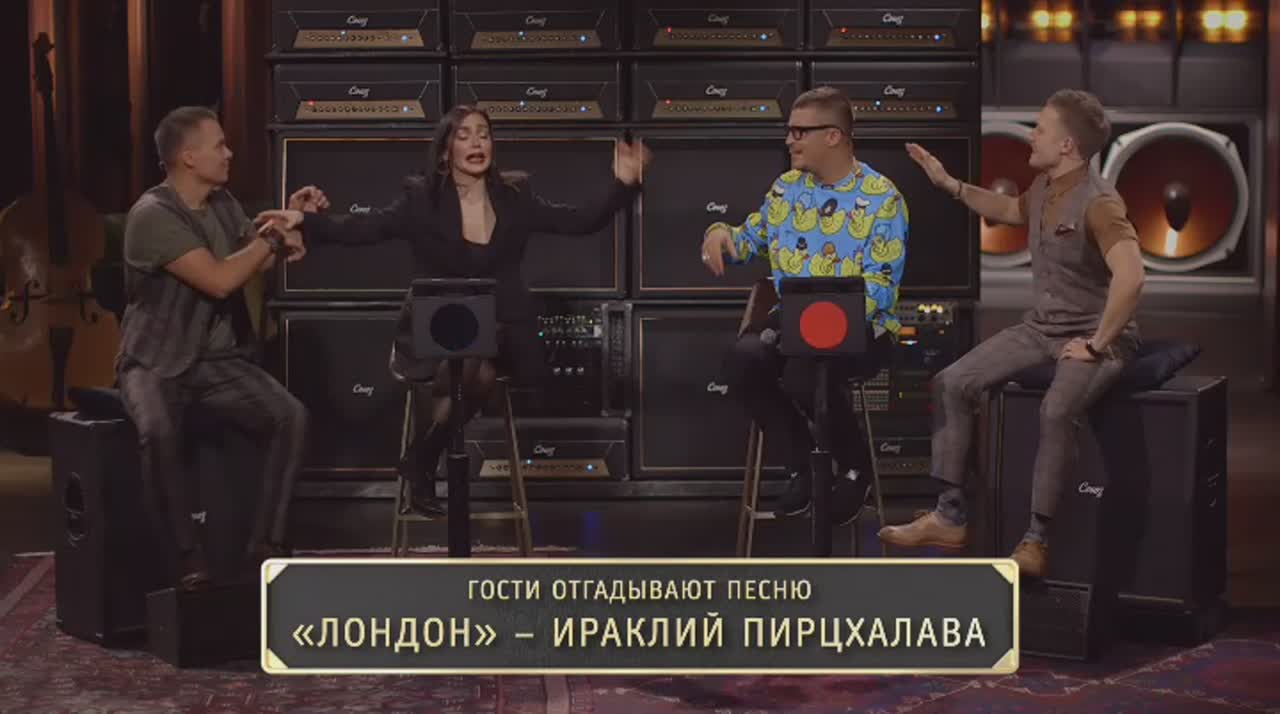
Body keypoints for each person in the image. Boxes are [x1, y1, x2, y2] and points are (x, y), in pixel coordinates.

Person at [257, 104, 650, 516]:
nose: (476, 142)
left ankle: (422, 458)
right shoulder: (421, 200)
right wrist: (302, 220)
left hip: (503, 334)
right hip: (437, 329)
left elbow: (580, 221)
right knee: (472, 360)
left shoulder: (516, 197)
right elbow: (364, 229)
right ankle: (424, 459)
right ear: (446, 150)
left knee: (478, 355)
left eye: (483, 134)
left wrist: (624, 182)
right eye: (464, 135)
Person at [883, 89, 1146, 577]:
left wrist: (1095, 345)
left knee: (1056, 409)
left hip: (1096, 335)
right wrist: (950, 184)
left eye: (1041, 128)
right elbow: (1009, 210)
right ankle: (949, 516)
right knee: (952, 381)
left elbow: (1131, 278)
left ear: (1067, 145)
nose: (1032, 136)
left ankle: (1036, 541)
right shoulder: (1046, 186)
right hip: (1042, 327)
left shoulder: (1100, 203)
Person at [117, 106, 309, 590]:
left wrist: (288, 229)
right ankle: (185, 556)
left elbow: (254, 259)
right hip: (155, 360)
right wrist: (274, 237)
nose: (229, 153)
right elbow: (221, 280)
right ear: (188, 157)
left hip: (216, 362)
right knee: (158, 431)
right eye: (219, 145)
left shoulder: (221, 202)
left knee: (290, 416)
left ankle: (266, 547)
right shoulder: (152, 215)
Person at [701, 86, 908, 527]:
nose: (789, 140)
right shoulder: (786, 190)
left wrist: (825, 322)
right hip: (793, 323)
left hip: (861, 328)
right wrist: (718, 234)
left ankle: (854, 468)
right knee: (743, 361)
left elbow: (882, 286)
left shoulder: (882, 198)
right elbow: (746, 240)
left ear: (833, 136)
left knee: (804, 373)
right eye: (789, 131)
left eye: (799, 132)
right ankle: (803, 465)